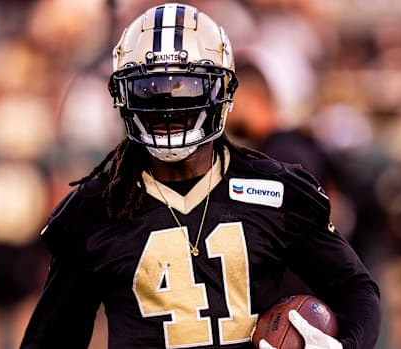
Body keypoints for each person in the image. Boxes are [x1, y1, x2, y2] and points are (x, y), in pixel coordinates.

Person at [20, 3, 381, 349]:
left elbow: (355, 290)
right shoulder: (95, 210)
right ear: (122, 95)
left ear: (221, 90)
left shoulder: (277, 191)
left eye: (187, 88)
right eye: (150, 90)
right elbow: (50, 340)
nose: (168, 107)